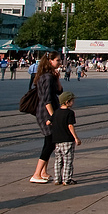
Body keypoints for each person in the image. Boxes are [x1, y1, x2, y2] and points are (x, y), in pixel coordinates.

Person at [30, 53, 63, 183]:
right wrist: (53, 116)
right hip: (46, 113)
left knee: (50, 142)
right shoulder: (47, 78)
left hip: (46, 111)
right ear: (50, 61)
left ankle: (43, 171)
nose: (60, 62)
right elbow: (47, 100)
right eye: (57, 60)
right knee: (50, 143)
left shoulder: (50, 76)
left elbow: (59, 91)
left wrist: (58, 78)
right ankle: (36, 174)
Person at [50, 91, 82, 185]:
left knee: (58, 160)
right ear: (67, 102)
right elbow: (70, 126)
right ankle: (66, 179)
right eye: (72, 101)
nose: (74, 102)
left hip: (57, 140)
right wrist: (76, 138)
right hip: (67, 140)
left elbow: (49, 122)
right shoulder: (70, 113)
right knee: (68, 160)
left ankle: (57, 179)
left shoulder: (56, 112)